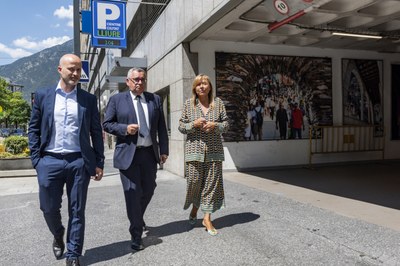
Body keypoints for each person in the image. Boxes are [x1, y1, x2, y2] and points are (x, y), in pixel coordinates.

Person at [28, 54, 105, 266]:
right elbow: (33, 129)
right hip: (49, 161)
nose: (76, 73)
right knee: (48, 208)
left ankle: (73, 254)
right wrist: (37, 160)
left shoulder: (88, 99)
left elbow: (96, 132)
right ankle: (58, 233)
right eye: (71, 69)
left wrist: (99, 161)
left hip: (79, 161)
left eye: (79, 70)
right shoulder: (43, 96)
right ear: (59, 69)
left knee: (77, 210)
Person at [102, 67, 169, 251]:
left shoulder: (154, 99)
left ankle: (137, 216)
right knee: (132, 193)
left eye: (142, 79)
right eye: (136, 79)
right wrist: (124, 129)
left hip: (149, 154)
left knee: (148, 189)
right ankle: (136, 234)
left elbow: (161, 127)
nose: (140, 82)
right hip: (128, 154)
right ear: (128, 81)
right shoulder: (117, 100)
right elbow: (107, 124)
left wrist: (164, 149)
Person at [178, 74, 229, 236]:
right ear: (194, 87)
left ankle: (207, 218)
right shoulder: (189, 104)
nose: (201, 86)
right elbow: (181, 126)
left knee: (211, 185)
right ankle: (194, 208)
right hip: (194, 151)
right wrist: (193, 124)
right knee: (194, 182)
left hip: (214, 151)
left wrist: (215, 125)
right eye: (198, 84)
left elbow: (226, 125)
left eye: (204, 83)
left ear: (209, 87)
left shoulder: (218, 103)